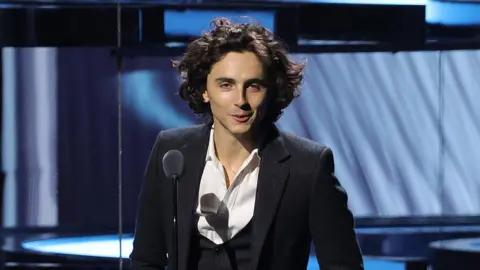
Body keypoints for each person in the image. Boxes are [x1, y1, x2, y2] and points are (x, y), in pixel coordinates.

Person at [130, 17, 364, 270]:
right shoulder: (172, 151)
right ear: (205, 90)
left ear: (271, 90)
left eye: (253, 86)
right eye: (226, 85)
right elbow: (146, 259)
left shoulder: (308, 166)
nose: (240, 100)